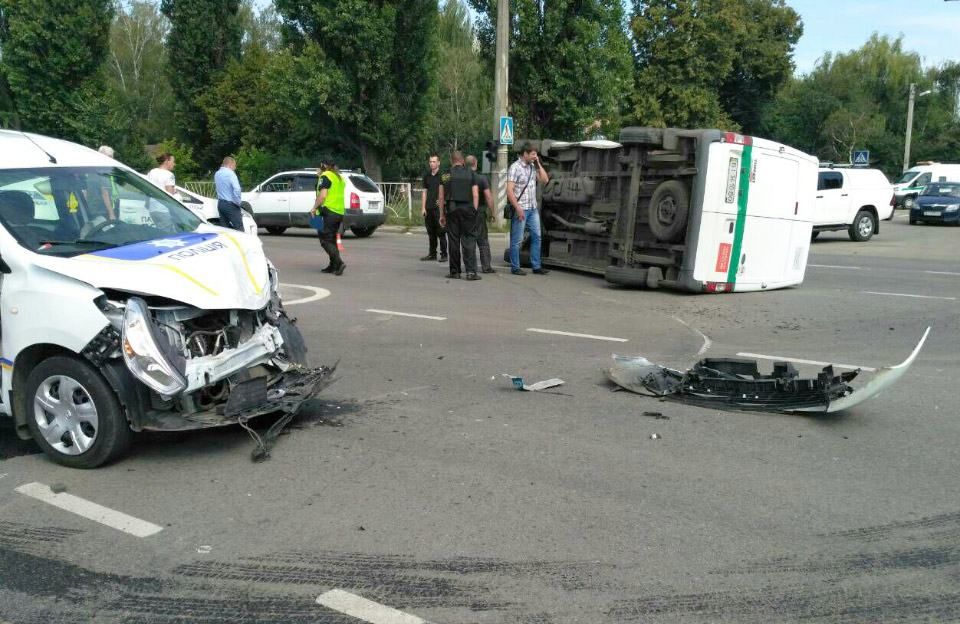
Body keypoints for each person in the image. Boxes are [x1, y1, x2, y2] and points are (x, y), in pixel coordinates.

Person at [507, 143, 549, 276]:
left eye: (535, 154)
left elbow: (545, 180)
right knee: (517, 239)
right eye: (532, 154)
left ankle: (536, 266)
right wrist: (517, 208)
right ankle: (515, 267)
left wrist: (538, 164)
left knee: (537, 236)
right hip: (521, 208)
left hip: (532, 208)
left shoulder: (532, 167)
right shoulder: (515, 167)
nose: (534, 156)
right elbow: (509, 191)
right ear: (525, 153)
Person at [439, 151, 480, 280]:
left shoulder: (445, 174)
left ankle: (455, 272)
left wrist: (442, 214)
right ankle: (471, 272)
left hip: (452, 210)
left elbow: (441, 196)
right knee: (468, 240)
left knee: (453, 241)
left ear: (451, 161)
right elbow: (475, 195)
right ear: (462, 161)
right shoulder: (470, 173)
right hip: (468, 209)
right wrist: (475, 209)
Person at [312, 159, 346, 275]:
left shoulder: (326, 176)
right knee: (331, 239)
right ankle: (333, 266)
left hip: (327, 212)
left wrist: (314, 208)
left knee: (325, 240)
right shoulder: (338, 177)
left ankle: (339, 263)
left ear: (323, 165)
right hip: (338, 213)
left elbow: (323, 195)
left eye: (319, 166)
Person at [466, 154, 495, 273]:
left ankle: (470, 266)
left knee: (468, 240)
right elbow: (488, 197)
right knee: (482, 240)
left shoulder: (462, 178)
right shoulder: (482, 178)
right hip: (480, 212)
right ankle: (486, 266)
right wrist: (492, 212)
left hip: (465, 212)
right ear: (476, 163)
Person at [420, 154, 447, 262]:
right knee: (431, 233)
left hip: (439, 209)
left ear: (439, 163)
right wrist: (423, 207)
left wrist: (443, 201)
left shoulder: (443, 175)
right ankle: (432, 254)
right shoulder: (426, 176)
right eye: (430, 161)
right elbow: (424, 192)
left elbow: (449, 189)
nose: (432, 163)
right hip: (429, 208)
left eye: (434, 161)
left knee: (441, 232)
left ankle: (444, 254)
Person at [214, 156, 244, 231]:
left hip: (221, 204)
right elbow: (237, 189)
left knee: (225, 229)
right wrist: (238, 202)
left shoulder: (217, 174)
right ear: (230, 164)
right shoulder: (230, 174)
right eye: (234, 166)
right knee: (239, 228)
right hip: (230, 204)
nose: (235, 168)